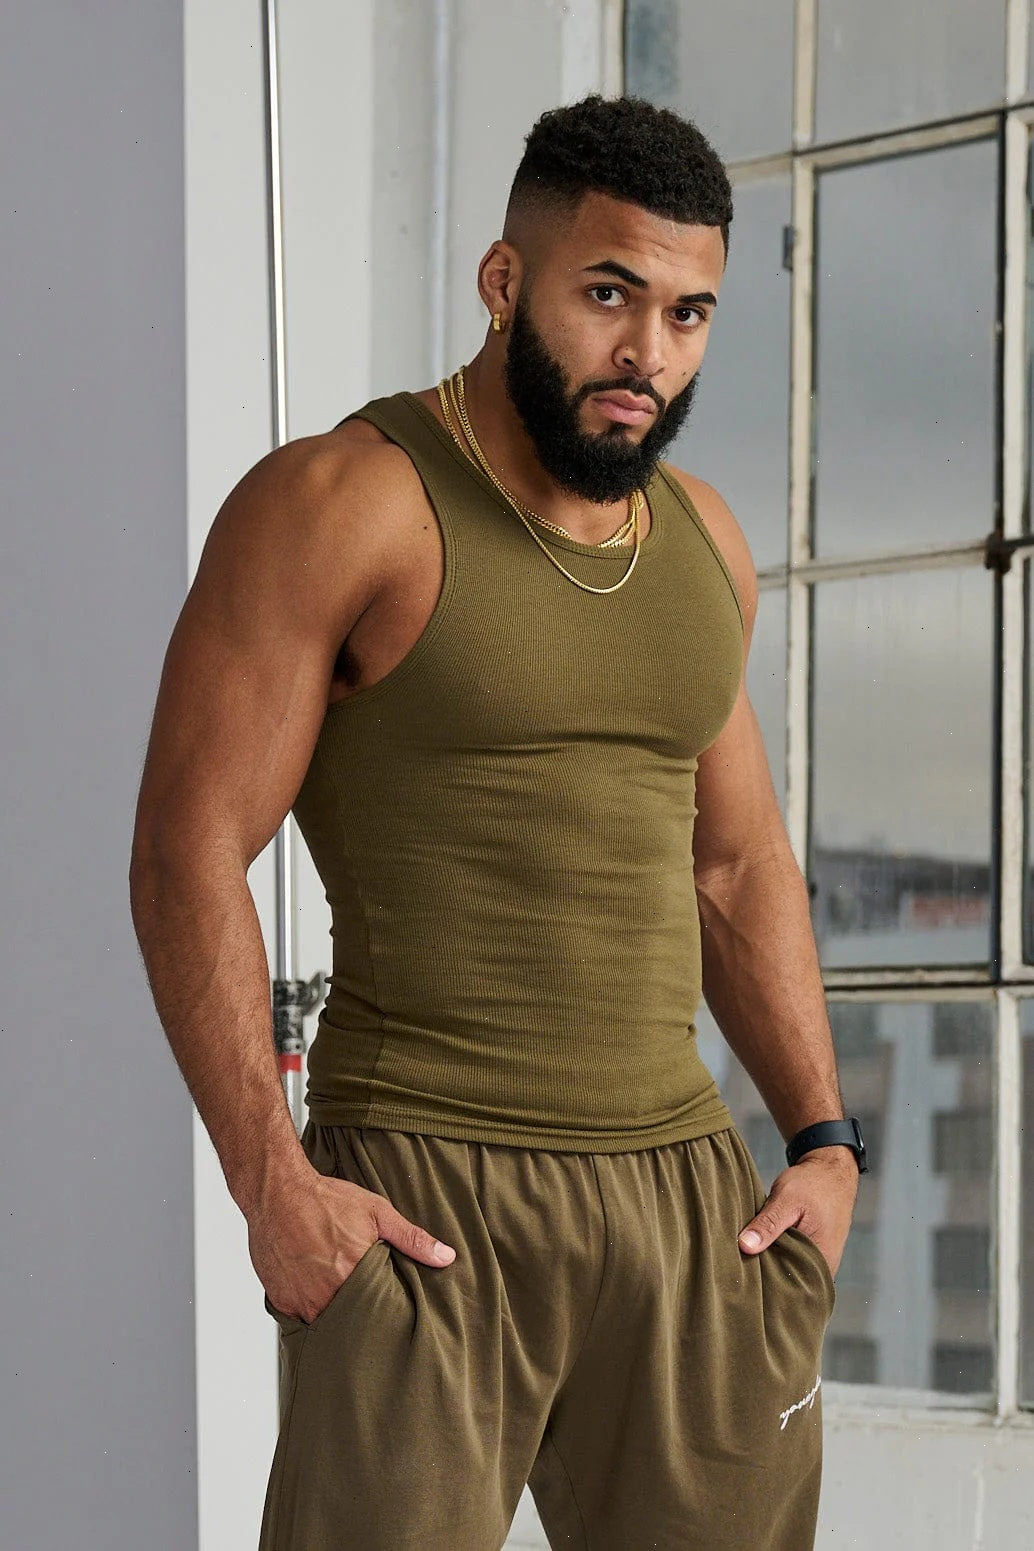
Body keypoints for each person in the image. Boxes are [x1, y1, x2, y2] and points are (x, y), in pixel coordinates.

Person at [129, 93, 862, 1550]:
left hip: (685, 1197)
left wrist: (826, 1139)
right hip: (425, 1188)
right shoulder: (346, 501)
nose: (648, 354)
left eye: (688, 314)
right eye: (609, 295)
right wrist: (273, 1184)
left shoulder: (702, 541)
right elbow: (185, 849)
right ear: (504, 280)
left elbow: (736, 864)